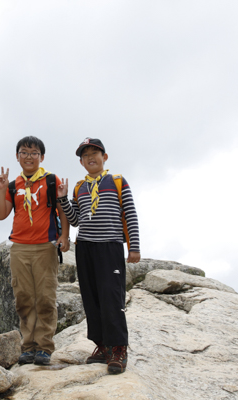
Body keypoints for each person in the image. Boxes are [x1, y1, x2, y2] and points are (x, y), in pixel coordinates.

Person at [56, 137, 140, 374]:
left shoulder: (117, 181)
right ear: (81, 162)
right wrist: (63, 198)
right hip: (85, 247)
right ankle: (102, 346)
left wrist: (134, 246)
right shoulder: (79, 187)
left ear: (104, 157)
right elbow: (75, 220)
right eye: (85, 155)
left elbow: (131, 214)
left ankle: (119, 349)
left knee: (111, 297)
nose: (90, 157)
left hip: (110, 246)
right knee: (91, 298)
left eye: (95, 152)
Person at [0, 136, 70, 365]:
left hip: (45, 247)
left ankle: (44, 347)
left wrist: (65, 236)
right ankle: (27, 346)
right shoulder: (12, 185)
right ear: (17, 157)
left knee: (46, 298)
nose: (29, 157)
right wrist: (0, 189)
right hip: (19, 248)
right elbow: (0, 214)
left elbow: (62, 210)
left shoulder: (50, 180)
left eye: (34, 153)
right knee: (24, 298)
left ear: (42, 157)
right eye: (24, 152)